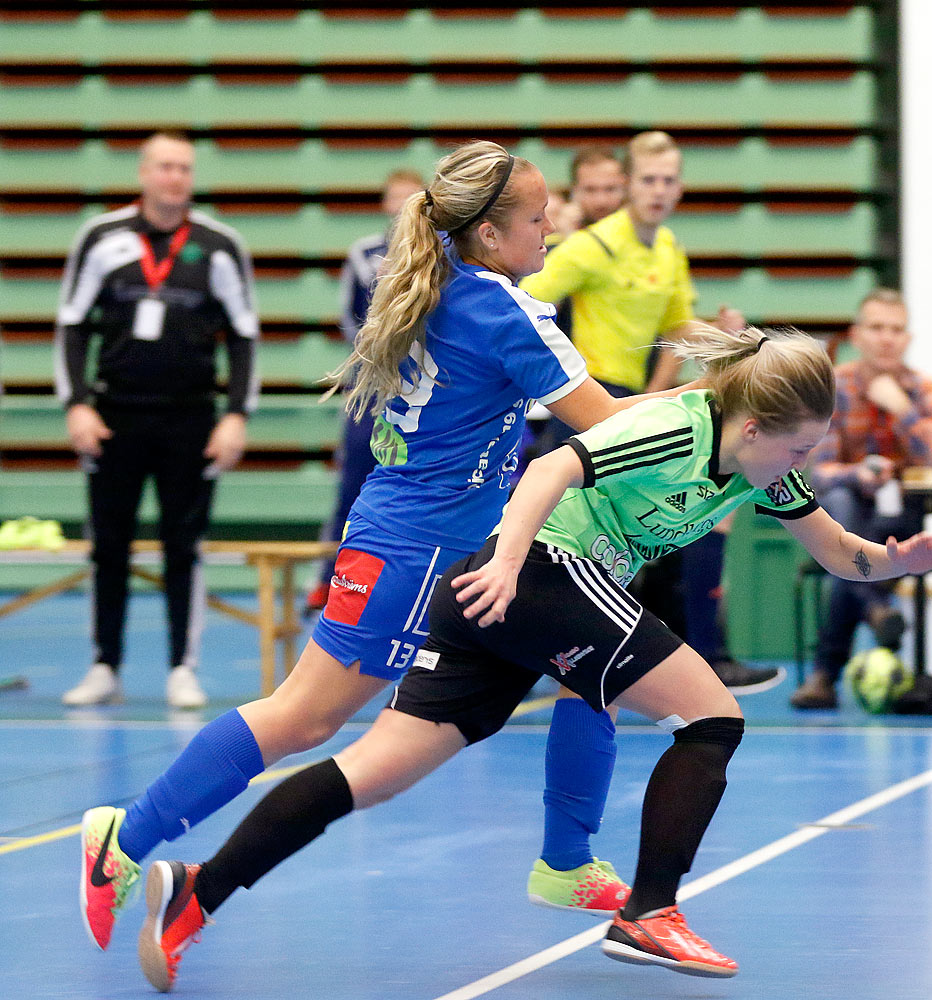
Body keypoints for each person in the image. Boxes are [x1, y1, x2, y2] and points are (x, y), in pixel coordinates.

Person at [131, 325, 932, 988]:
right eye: (797, 448)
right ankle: (648, 910)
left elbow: (836, 549)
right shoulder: (674, 430)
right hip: (528, 571)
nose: (804, 464)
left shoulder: (760, 470)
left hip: (514, 597)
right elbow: (549, 468)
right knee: (712, 714)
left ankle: (195, 892)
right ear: (752, 426)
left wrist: (899, 560)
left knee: (371, 772)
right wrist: (500, 559)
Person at [77, 141, 700, 963]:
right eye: (539, 217)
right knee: (307, 717)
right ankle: (127, 835)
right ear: (486, 234)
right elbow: (605, 422)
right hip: (416, 551)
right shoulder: (500, 308)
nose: (554, 227)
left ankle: (568, 859)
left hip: (459, 535)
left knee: (591, 664)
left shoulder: (436, 272)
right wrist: (706, 406)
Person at [521, 130, 773, 693]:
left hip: (631, 404)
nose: (658, 191)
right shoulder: (592, 247)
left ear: (679, 188)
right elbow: (523, 294)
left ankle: (696, 654)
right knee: (559, 535)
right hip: (585, 401)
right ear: (629, 185)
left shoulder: (667, 249)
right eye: (648, 180)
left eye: (668, 180)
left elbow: (677, 326)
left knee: (673, 523)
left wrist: (731, 343)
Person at [54, 131, 259, 710]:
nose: (175, 177)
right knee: (109, 544)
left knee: (183, 544)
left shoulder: (220, 245)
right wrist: (76, 405)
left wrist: (236, 416)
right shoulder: (100, 238)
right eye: (165, 167)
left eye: (185, 168)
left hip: (192, 419)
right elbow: (71, 324)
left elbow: (244, 336)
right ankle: (103, 664)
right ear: (144, 173)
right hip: (112, 417)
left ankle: (181, 667)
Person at [789, 289, 932, 710]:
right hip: (850, 513)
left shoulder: (923, 389)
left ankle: (825, 674)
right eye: (877, 328)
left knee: (851, 542)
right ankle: (878, 609)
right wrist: (859, 474)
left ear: (907, 339)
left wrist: (902, 409)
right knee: (843, 510)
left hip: (906, 516)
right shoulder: (833, 385)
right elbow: (819, 471)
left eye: (896, 330)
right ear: (857, 335)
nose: (887, 338)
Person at [306, 168, 427, 612]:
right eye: (394, 198)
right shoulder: (364, 254)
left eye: (410, 199)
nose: (401, 207)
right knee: (353, 482)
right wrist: (381, 352)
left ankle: (405, 582)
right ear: (384, 203)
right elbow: (348, 318)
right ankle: (328, 578)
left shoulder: (437, 251)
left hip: (421, 388)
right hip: (371, 384)